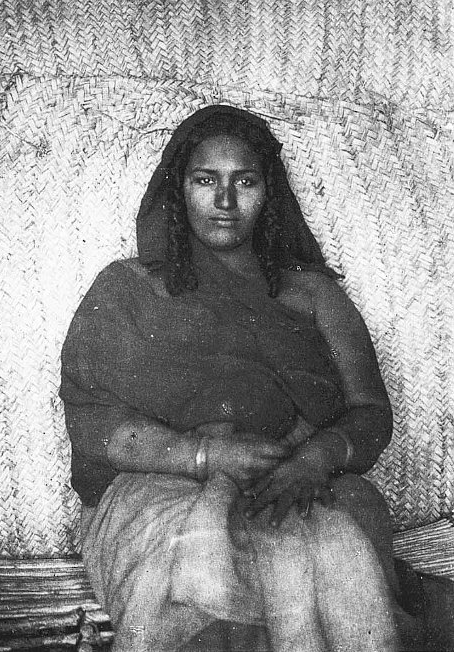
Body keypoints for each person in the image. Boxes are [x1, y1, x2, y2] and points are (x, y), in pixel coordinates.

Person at [60, 105, 425, 651]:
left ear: (269, 191)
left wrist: (315, 459)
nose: (226, 202)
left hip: (291, 478)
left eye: (245, 181)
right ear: (179, 189)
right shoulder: (125, 288)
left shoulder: (315, 295)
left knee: (331, 545)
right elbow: (91, 423)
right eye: (206, 180)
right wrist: (203, 458)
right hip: (158, 484)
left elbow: (370, 413)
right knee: (194, 547)